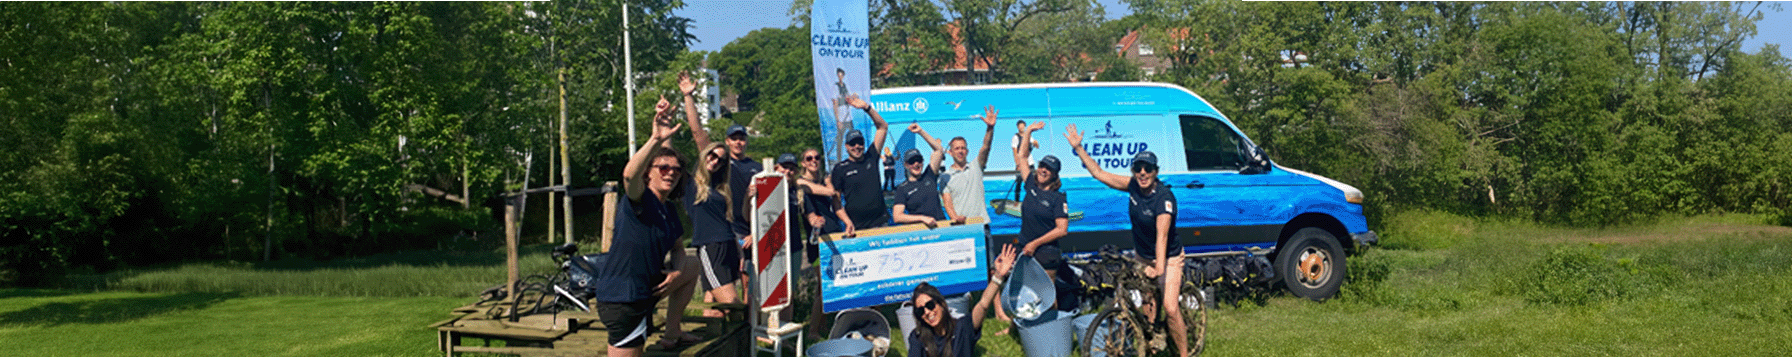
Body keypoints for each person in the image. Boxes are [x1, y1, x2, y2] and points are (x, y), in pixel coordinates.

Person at [1067, 123, 1188, 357]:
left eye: (1148, 168)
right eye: (1138, 168)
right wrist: (1079, 148)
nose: (1142, 173)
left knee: (1171, 308)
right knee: (1147, 301)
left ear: (1156, 171)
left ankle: (1183, 353)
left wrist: (1159, 267)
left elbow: (1162, 236)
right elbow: (1100, 174)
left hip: (1169, 257)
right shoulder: (1133, 186)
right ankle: (1152, 339)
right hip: (1143, 253)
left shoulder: (1163, 198)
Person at [595, 99, 701, 357]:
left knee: (692, 264)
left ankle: (672, 331)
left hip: (646, 288)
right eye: (663, 168)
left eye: (676, 170)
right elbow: (629, 176)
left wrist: (676, 272)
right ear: (648, 174)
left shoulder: (668, 210)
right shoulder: (640, 199)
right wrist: (655, 138)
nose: (670, 173)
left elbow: (678, 248)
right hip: (624, 296)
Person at [677, 73, 744, 318]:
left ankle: (713, 344)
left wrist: (738, 250)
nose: (715, 161)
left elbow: (730, 219)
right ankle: (754, 344)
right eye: (712, 156)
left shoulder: (720, 186)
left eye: (720, 159)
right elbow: (697, 132)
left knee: (713, 307)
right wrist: (688, 96)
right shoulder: (691, 183)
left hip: (727, 245)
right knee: (734, 305)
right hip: (709, 247)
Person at [1011, 119, 1078, 312]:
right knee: (1024, 290)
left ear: (1055, 175)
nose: (1042, 170)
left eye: (1048, 169)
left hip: (1046, 252)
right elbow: (1022, 158)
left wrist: (1036, 244)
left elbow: (1062, 230)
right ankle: (1018, 327)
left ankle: (1053, 329)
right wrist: (1029, 131)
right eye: (1042, 165)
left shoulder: (1058, 198)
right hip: (1025, 246)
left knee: (1047, 294)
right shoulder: (1031, 184)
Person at [909, 244, 1018, 357]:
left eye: (930, 305)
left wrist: (998, 276)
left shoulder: (962, 328)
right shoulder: (918, 338)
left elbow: (983, 304)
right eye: (920, 311)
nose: (927, 312)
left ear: (942, 304)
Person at [829, 95, 891, 237]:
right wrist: (847, 222)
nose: (857, 146)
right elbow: (836, 202)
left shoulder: (871, 157)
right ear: (846, 147)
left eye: (860, 143)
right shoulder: (840, 169)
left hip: (881, 224)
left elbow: (883, 127)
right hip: (856, 228)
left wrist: (867, 108)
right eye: (852, 143)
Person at [941, 106, 999, 223]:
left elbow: (985, 147)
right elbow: (948, 203)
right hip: (962, 227)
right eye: (957, 148)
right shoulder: (945, 176)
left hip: (982, 224)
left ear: (967, 151)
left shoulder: (976, 166)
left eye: (963, 148)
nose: (960, 151)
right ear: (950, 152)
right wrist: (955, 218)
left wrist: (990, 128)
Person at [892, 124, 951, 227]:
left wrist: (921, 131)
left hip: (941, 227)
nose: (916, 164)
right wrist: (922, 218)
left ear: (923, 162)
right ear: (906, 165)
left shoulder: (929, 175)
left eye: (918, 160)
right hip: (920, 233)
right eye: (912, 161)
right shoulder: (902, 189)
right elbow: (897, 217)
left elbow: (938, 150)